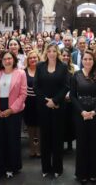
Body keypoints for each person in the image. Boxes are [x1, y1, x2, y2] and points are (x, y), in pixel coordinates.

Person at [34, 43, 70, 178]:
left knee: (57, 138)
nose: (51, 53)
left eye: (54, 51)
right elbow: (36, 86)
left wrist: (54, 101)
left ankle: (57, 168)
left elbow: (66, 86)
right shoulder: (40, 66)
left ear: (57, 53)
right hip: (43, 106)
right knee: (45, 137)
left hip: (58, 106)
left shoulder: (63, 67)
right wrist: (46, 101)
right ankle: (45, 167)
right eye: (49, 51)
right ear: (45, 52)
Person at [70, 50, 96, 184]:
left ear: (94, 61)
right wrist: (82, 112)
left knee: (95, 144)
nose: (87, 61)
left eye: (90, 59)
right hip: (80, 113)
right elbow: (73, 96)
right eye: (85, 59)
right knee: (82, 144)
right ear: (82, 60)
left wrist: (94, 112)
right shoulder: (76, 75)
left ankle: (94, 172)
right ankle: (81, 173)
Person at [0, 51, 27, 179]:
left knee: (12, 140)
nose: (7, 61)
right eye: (5, 59)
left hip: (14, 110)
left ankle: (12, 167)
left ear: (14, 59)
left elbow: (23, 94)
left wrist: (11, 109)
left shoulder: (21, 73)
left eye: (10, 58)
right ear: (1, 60)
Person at [24, 50, 41, 158]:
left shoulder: (42, 70)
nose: (33, 59)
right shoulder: (24, 71)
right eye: (31, 58)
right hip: (28, 102)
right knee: (30, 126)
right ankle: (32, 148)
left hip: (39, 101)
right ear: (28, 60)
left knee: (39, 126)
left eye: (35, 57)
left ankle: (39, 149)